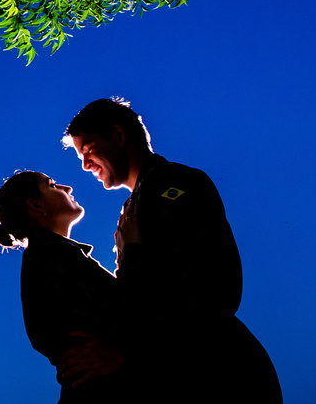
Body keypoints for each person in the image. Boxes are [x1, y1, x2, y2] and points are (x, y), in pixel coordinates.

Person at [62, 97, 282, 402]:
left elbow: (215, 292)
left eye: (88, 149)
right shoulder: (132, 209)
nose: (85, 165)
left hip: (222, 376)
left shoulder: (177, 185)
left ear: (119, 135)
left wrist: (124, 353)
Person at [0, 171, 133, 402]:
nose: (67, 188)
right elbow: (130, 314)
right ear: (36, 205)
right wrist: (133, 255)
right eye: (53, 185)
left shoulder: (49, 257)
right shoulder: (53, 257)